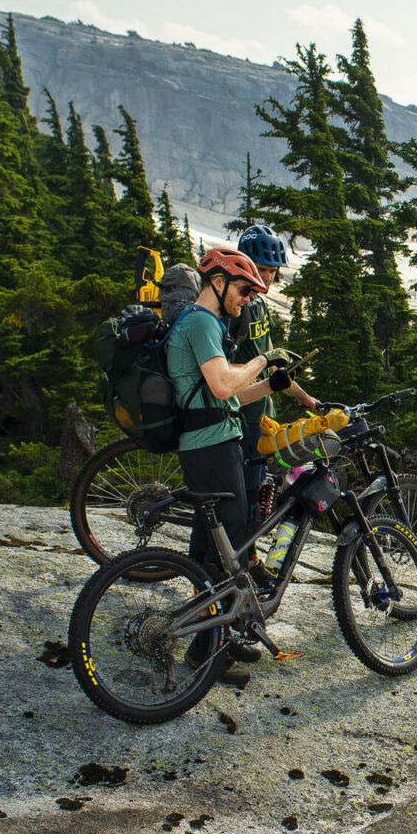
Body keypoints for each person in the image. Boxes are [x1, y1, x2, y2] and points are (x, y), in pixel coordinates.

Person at [167, 247, 297, 670]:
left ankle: (214, 641)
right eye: (244, 289)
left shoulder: (204, 323)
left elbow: (233, 395)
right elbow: (224, 386)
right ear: (217, 282)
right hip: (211, 447)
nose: (247, 298)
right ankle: (208, 655)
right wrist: (261, 359)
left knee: (216, 547)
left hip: (212, 440)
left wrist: (270, 386)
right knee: (228, 546)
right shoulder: (202, 322)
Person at [228, 225, 317, 501]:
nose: (266, 276)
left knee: (256, 489)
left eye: (271, 270)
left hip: (261, 416)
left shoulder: (259, 306)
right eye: (261, 268)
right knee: (244, 494)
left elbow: (272, 363)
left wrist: (304, 397)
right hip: (239, 417)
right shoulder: (234, 308)